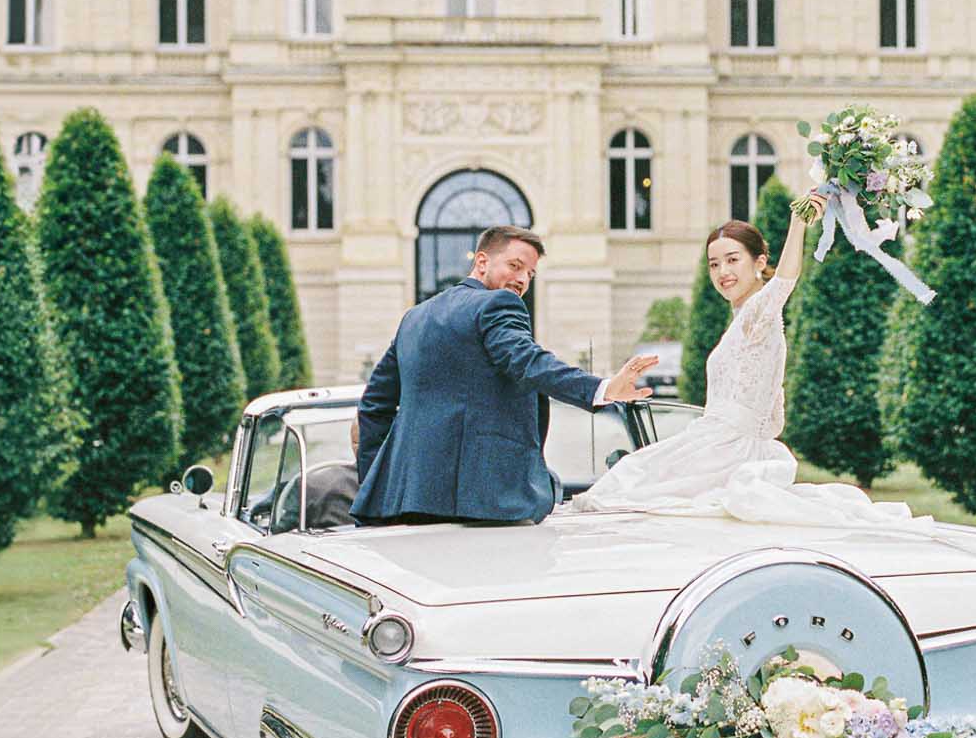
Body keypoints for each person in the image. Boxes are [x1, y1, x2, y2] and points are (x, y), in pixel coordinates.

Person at [572, 201, 924, 529]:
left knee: (631, 486)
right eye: (714, 264)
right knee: (631, 481)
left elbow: (785, 281)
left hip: (728, 452)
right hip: (715, 442)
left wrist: (798, 223)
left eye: (732, 260)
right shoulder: (741, 318)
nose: (722, 271)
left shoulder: (760, 311)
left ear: (759, 262)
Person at [353, 225, 656, 526]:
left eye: (531, 274)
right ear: (482, 261)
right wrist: (601, 388)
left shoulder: (415, 318)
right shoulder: (497, 304)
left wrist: (376, 486)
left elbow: (372, 407)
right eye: (515, 266)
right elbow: (527, 361)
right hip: (489, 504)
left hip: (408, 504)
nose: (523, 279)